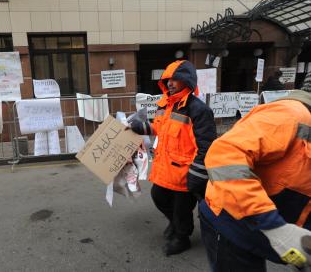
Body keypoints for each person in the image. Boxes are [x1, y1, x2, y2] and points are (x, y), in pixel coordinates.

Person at [199, 87, 311, 271]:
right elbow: (224, 155)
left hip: (264, 224)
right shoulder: (290, 114)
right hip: (231, 222)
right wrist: (275, 228)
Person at [130, 60, 217, 255]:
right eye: (168, 79)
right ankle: (176, 224)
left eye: (175, 79)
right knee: (158, 197)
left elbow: (207, 146)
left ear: (187, 80)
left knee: (181, 209)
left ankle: (182, 237)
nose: (170, 83)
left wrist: (197, 174)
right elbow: (159, 128)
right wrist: (141, 127)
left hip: (185, 173)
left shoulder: (198, 109)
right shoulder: (166, 105)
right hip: (166, 168)